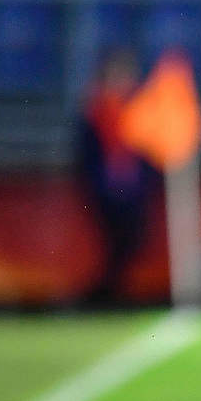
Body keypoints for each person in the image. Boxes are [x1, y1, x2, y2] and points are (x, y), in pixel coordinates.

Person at [75, 47, 153, 306]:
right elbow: (87, 153)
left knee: (132, 243)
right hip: (105, 189)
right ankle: (108, 294)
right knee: (114, 243)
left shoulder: (136, 109)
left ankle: (113, 292)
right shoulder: (95, 111)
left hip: (133, 189)